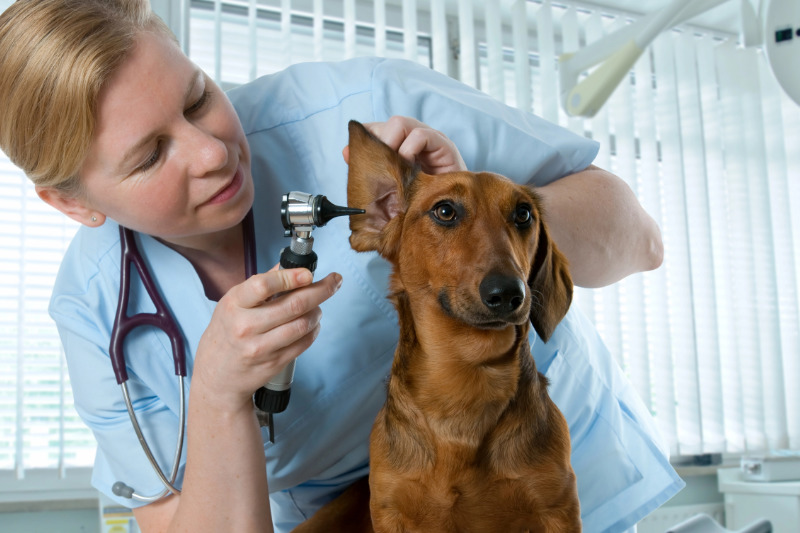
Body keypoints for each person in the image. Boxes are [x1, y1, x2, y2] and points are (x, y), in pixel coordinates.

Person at [0, 1, 683, 532]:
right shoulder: (94, 310)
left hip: (545, 477)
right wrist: (216, 393)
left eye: (198, 97)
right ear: (71, 203)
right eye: (150, 155)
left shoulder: (365, 112)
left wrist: (468, 220)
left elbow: (639, 237)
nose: (210, 152)